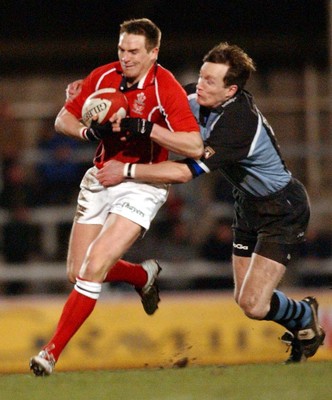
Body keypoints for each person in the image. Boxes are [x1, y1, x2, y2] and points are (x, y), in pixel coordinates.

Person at [98, 42, 326, 364]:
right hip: (247, 203)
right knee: (243, 298)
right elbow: (152, 102)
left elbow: (182, 172)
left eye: (209, 81)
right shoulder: (197, 95)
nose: (199, 85)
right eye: (202, 76)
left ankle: (303, 313)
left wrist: (127, 170)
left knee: (254, 305)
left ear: (231, 89)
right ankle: (302, 321)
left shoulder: (239, 125)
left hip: (282, 208)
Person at [29, 18, 203, 376]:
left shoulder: (164, 87)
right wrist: (85, 130)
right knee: (77, 272)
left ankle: (49, 354)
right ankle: (141, 276)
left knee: (94, 266)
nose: (126, 57)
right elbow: (64, 118)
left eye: (135, 51)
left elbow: (195, 145)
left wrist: (148, 128)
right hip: (100, 177)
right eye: (122, 49)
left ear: (154, 53)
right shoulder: (103, 77)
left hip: (142, 183)